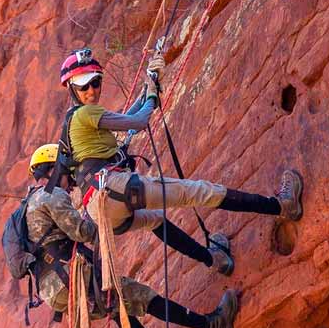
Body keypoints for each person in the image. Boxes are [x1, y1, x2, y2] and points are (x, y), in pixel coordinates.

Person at [56, 48, 304, 276]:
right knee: (199, 192)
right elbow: (140, 122)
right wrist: (152, 96)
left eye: (95, 82)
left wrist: (148, 86)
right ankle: (283, 206)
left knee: (156, 220)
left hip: (99, 211)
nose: (91, 90)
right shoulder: (87, 113)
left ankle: (217, 261)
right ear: (72, 90)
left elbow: (124, 119)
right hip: (114, 190)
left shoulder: (73, 121)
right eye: (83, 86)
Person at [25, 144, 239, 328]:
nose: (71, 181)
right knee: (142, 297)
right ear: (54, 169)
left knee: (117, 307)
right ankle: (214, 325)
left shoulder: (28, 204)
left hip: (52, 291)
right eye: (66, 170)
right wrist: (100, 212)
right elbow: (82, 232)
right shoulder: (52, 194)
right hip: (69, 280)